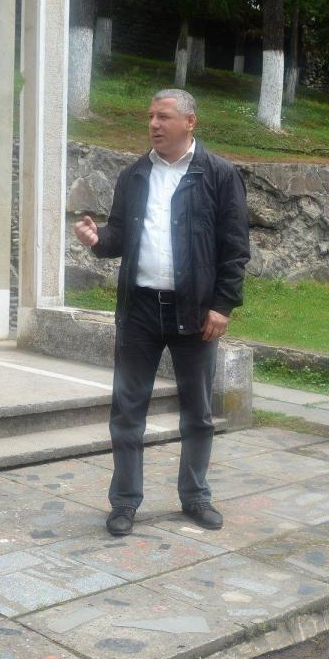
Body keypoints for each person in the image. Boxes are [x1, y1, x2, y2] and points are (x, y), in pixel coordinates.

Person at [73, 88, 250, 536]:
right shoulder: (135, 174)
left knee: (198, 412)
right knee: (127, 411)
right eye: (150, 116)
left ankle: (195, 496)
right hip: (139, 310)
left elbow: (234, 248)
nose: (153, 124)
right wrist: (98, 239)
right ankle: (124, 502)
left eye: (164, 116)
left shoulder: (218, 174)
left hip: (196, 312)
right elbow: (120, 236)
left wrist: (223, 305)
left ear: (190, 121)